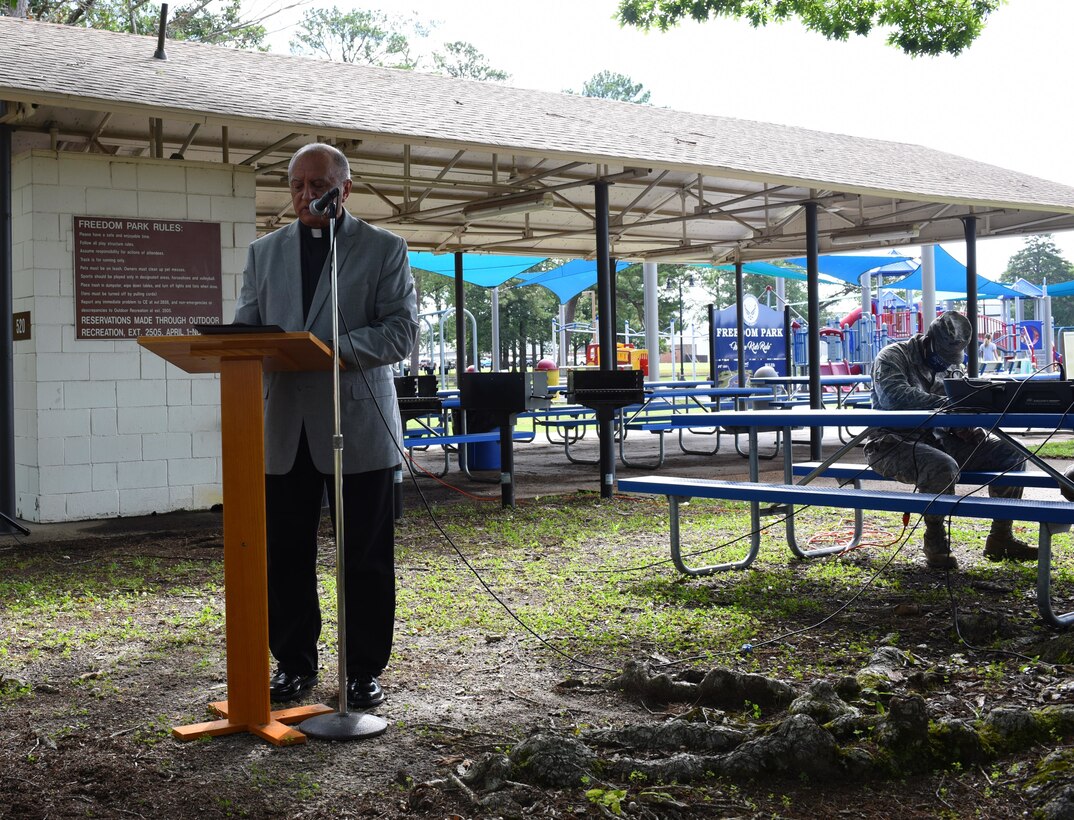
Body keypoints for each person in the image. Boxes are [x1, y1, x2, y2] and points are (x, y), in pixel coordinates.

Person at [234, 143, 418, 709]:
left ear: (346, 188)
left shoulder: (384, 249)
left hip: (358, 424)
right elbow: (246, 328)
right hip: (285, 428)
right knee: (285, 555)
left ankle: (363, 670)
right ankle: (293, 664)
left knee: (363, 555)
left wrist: (334, 350)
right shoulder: (264, 252)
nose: (306, 195)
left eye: (318, 184)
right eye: (297, 185)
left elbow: (402, 332)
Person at [863, 311, 1036, 570]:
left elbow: (959, 404)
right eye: (943, 356)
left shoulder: (952, 365)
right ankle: (935, 540)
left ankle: (1001, 537)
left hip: (941, 440)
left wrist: (964, 426)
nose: (947, 363)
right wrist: (952, 406)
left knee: (1011, 453)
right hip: (891, 444)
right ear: (928, 341)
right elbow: (894, 398)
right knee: (941, 466)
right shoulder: (892, 356)